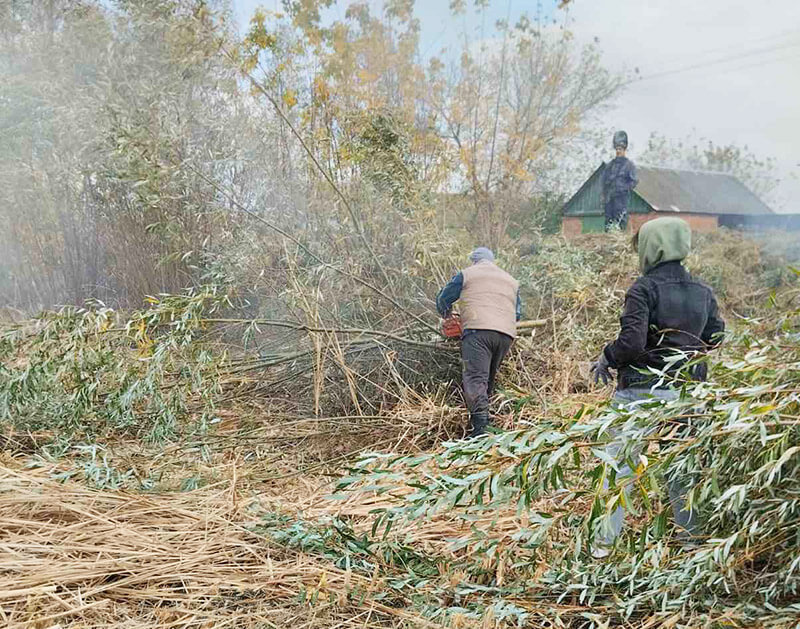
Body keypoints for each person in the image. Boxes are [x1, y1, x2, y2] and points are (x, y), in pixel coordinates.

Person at [590, 217, 725, 556]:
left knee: (619, 469)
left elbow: (632, 343)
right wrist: (687, 352)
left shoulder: (643, 289)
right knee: (682, 472)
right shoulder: (703, 291)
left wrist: (606, 357)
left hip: (640, 393)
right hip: (686, 394)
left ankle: (602, 548)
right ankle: (691, 546)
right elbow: (716, 335)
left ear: (651, 247)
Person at [436, 247, 522, 437]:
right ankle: (485, 424)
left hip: (478, 333)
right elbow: (517, 313)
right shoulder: (511, 280)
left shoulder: (467, 274)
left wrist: (446, 315)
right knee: (487, 379)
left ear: (474, 261)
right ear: (492, 261)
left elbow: (444, 298)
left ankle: (480, 431)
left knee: (476, 379)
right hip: (506, 335)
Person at [601, 130, 638, 231]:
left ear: (624, 150)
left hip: (621, 198)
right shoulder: (609, 166)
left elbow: (634, 181)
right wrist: (604, 196)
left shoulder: (629, 165)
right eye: (617, 149)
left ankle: (619, 235)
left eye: (620, 149)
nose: (618, 151)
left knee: (620, 219)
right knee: (608, 221)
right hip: (610, 198)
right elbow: (604, 183)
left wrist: (624, 189)